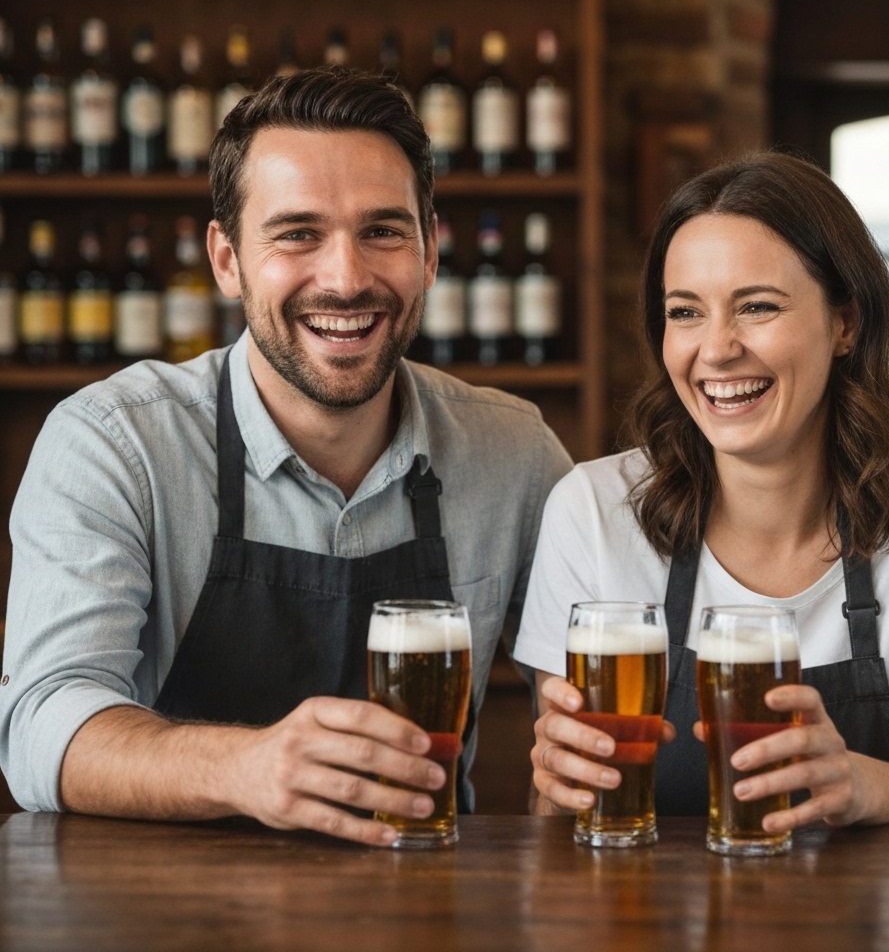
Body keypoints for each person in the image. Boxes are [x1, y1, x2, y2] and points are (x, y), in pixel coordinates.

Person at [0, 68, 571, 845]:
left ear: (430, 253)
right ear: (227, 259)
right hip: (159, 919)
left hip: (423, 910)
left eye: (383, 231)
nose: (345, 278)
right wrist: (247, 766)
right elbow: (41, 728)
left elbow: (586, 731)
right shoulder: (115, 443)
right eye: (298, 232)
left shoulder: (515, 454)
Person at [515, 152, 889, 830]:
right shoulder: (591, 510)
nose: (717, 349)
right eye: (685, 312)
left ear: (846, 324)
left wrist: (858, 784)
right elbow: (559, 807)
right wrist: (555, 786)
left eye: (757, 306)